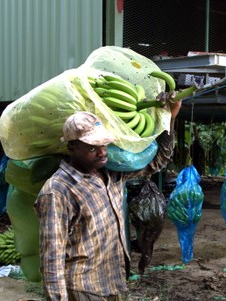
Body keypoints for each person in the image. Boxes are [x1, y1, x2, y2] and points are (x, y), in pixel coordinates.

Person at [35, 98, 182, 301]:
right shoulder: (58, 191)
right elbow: (52, 255)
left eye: (104, 144)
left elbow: (158, 161)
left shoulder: (112, 174)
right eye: (92, 147)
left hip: (114, 282)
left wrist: (170, 117)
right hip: (83, 289)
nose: (103, 152)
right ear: (72, 148)